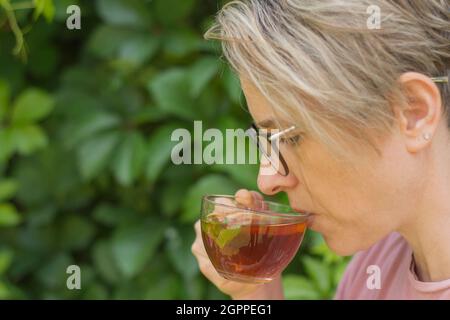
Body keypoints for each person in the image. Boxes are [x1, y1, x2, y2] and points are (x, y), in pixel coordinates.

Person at [191, 0, 450, 299]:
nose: (267, 181)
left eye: (292, 137)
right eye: (268, 140)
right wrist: (255, 294)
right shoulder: (373, 270)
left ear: (413, 112)